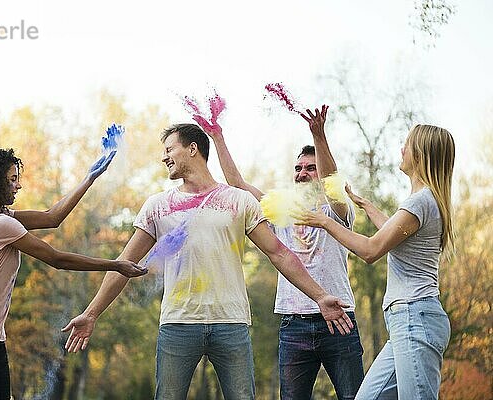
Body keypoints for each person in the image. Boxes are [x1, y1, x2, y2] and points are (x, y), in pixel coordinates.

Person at [62, 123, 353, 400]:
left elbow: (278, 253)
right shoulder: (157, 205)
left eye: (169, 149)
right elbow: (122, 264)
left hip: (231, 323)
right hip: (177, 323)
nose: (164, 157)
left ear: (192, 149)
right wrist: (91, 313)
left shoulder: (239, 201)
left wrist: (320, 296)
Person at [0, 147, 147, 400]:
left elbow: (52, 217)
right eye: (12, 179)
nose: (18, 186)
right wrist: (116, 264)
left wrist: (89, 179)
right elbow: (56, 259)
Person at [194, 105, 364, 400]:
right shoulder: (280, 210)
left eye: (310, 168)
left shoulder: (336, 211)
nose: (302, 174)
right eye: (298, 168)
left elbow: (332, 185)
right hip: (293, 326)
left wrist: (319, 135)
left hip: (339, 321)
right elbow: (238, 185)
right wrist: (217, 136)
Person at [296, 124, 454, 399]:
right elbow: (391, 233)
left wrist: (324, 221)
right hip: (407, 320)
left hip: (415, 316)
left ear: (422, 153)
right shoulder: (424, 201)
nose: (402, 149)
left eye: (407, 143)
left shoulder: (420, 201)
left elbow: (371, 250)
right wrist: (366, 204)